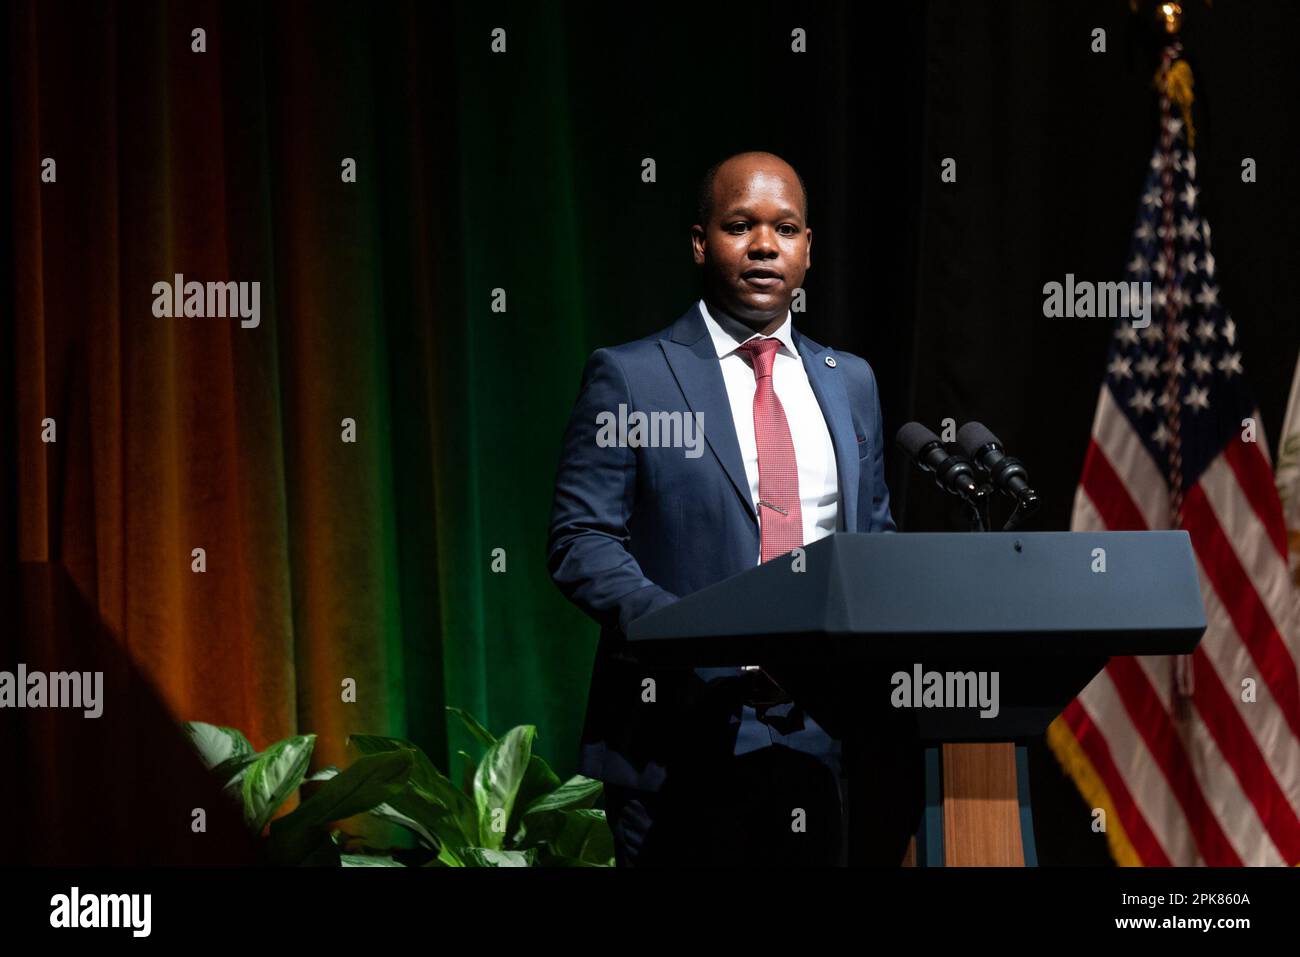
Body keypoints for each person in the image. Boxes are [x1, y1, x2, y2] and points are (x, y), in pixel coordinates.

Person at [547, 151, 910, 866]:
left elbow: (873, 543)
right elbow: (581, 538)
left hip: (821, 736)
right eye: (740, 225)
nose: (765, 245)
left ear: (809, 249)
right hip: (679, 737)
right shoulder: (634, 376)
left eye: (787, 228)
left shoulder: (851, 382)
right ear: (699, 241)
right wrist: (685, 633)